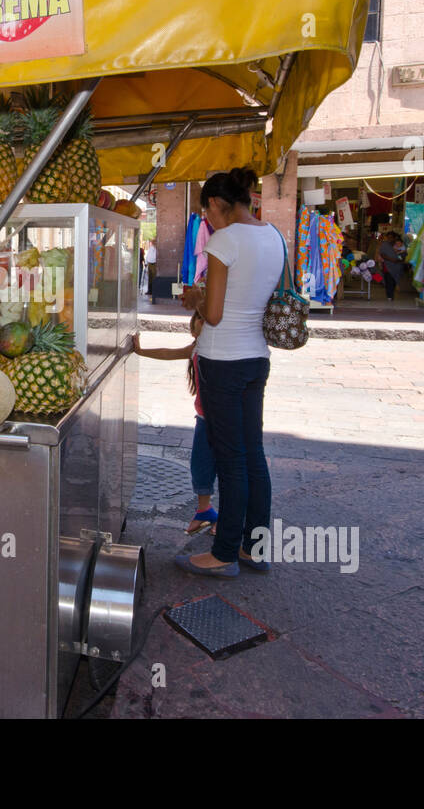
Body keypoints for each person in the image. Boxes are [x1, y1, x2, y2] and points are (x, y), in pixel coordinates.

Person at [174, 167, 285, 577]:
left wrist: (195, 300)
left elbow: (215, 314)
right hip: (257, 357)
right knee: (253, 455)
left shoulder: (225, 240)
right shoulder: (274, 236)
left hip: (222, 361)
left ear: (219, 205)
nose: (208, 223)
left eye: (208, 215)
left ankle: (222, 553)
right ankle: (253, 549)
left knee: (231, 459)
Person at [131, 315, 218, 536]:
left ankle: (228, 518)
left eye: (201, 320)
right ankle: (204, 509)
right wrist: (141, 351)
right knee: (200, 467)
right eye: (197, 323)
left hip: (222, 420)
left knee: (227, 470)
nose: (197, 328)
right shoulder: (196, 348)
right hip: (203, 418)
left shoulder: (219, 348)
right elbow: (167, 353)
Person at [378, 230, 406, 301]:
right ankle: (389, 296)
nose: (390, 239)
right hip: (387, 266)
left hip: (397, 267)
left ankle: (391, 293)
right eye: (388, 237)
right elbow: (382, 254)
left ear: (394, 238)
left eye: (391, 237)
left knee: (394, 281)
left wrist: (398, 259)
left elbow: (403, 254)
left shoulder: (398, 245)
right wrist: (391, 259)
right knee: (388, 281)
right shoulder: (384, 245)